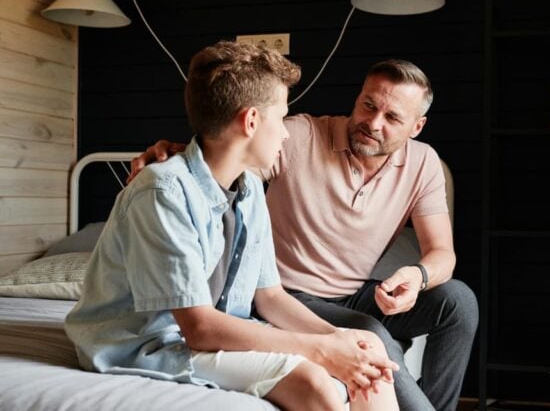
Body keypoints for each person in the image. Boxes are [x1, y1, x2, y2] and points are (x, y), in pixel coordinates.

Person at [65, 41, 400, 411]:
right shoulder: (162, 191)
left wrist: (338, 338)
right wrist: (320, 350)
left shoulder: (250, 187)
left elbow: (270, 297)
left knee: (367, 346)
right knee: (313, 382)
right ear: (251, 121)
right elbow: (199, 328)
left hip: (216, 332)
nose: (285, 133)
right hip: (149, 344)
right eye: (281, 118)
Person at [131, 59, 479, 411]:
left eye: (392, 118)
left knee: (458, 302)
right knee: (369, 333)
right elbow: (232, 155)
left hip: (356, 294)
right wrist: (179, 154)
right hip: (289, 295)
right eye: (368, 105)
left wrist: (417, 277)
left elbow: (442, 254)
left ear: (417, 127)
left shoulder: (424, 163)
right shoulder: (298, 136)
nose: (373, 123)